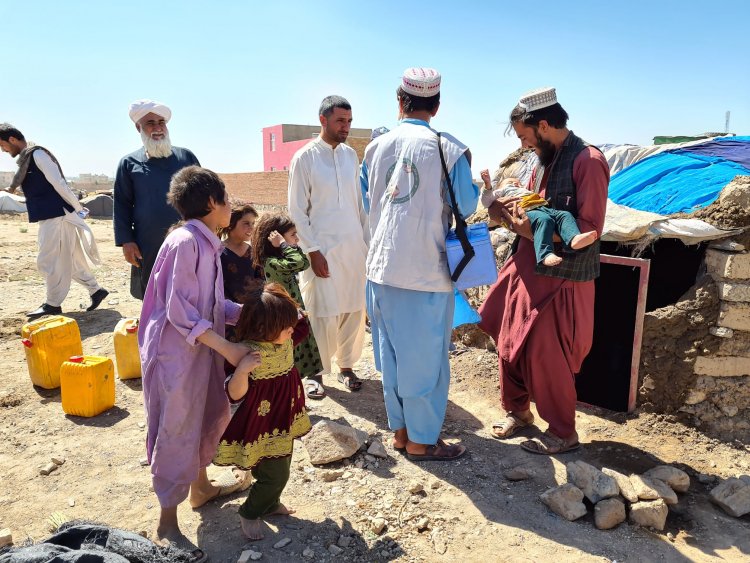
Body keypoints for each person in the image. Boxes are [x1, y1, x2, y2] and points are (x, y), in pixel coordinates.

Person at [478, 87, 609, 454]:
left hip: (561, 276)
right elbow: (531, 210)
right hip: (526, 266)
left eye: (525, 136)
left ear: (545, 124)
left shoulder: (588, 161)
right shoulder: (539, 159)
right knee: (508, 340)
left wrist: (525, 226)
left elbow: (589, 227)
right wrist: (505, 212)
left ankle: (562, 431)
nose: (524, 146)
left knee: (545, 354)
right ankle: (518, 412)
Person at [138, 166, 260, 555]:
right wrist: (228, 349)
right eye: (226, 200)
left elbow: (210, 303)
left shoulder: (207, 244)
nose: (230, 208)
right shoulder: (185, 244)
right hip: (176, 353)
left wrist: (252, 314)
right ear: (211, 203)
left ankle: (202, 488)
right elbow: (180, 311)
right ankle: (167, 521)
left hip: (200, 346)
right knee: (176, 426)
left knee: (205, 412)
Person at [362, 67, 479, 462]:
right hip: (425, 271)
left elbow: (369, 202)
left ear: (400, 101)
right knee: (426, 361)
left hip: (380, 268)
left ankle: (400, 432)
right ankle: (422, 441)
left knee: (392, 354)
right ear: (437, 105)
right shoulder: (448, 148)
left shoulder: (375, 147)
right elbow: (466, 205)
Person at [213, 283, 313, 541]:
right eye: (285, 326)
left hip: (284, 417)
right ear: (262, 329)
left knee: (278, 462)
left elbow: (302, 323)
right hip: (261, 423)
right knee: (277, 474)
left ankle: (269, 504)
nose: (292, 330)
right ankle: (250, 511)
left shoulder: (286, 338)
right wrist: (243, 371)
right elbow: (235, 394)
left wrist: (285, 305)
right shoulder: (247, 352)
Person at [287, 95, 368, 392]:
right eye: (340, 121)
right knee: (321, 310)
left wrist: (366, 246)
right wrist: (312, 250)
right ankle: (315, 373)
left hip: (353, 248)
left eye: (349, 121)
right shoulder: (305, 157)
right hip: (320, 250)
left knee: (353, 308)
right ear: (323, 120)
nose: (346, 127)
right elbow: (297, 210)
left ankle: (346, 366)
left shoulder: (350, 156)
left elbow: (359, 205)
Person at [0, 123, 108, 319]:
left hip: (57, 215)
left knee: (47, 260)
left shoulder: (38, 155)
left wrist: (79, 208)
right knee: (70, 259)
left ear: (12, 140)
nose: (3, 150)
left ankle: (52, 304)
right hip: (50, 215)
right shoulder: (27, 160)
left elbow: (59, 184)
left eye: (3, 145)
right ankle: (96, 290)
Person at [114, 99, 200, 299]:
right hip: (149, 241)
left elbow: (205, 194)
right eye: (150, 123)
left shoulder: (186, 157)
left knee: (192, 286)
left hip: (189, 237)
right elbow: (122, 205)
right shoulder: (129, 163)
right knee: (155, 292)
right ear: (138, 127)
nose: (158, 128)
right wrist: (127, 241)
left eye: (161, 122)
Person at [251, 213, 325, 399]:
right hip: (283, 320)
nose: (297, 239)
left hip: (292, 316)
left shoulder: (279, 259)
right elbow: (300, 262)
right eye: (293, 235)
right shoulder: (271, 263)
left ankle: (294, 397)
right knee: (288, 358)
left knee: (297, 355)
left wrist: (286, 245)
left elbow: (302, 261)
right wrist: (284, 244)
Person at [479, 168, 598, 266]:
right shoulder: (503, 192)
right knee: (544, 220)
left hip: (544, 208)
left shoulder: (526, 190)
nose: (516, 183)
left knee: (565, 215)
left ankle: (574, 238)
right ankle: (545, 254)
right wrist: (488, 185)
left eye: (518, 182)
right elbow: (487, 201)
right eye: (510, 182)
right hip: (528, 210)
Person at [219, 202, 261, 341]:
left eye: (253, 223)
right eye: (246, 223)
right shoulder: (218, 253)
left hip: (252, 317)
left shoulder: (253, 252)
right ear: (231, 223)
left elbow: (261, 282)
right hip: (226, 319)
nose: (251, 228)